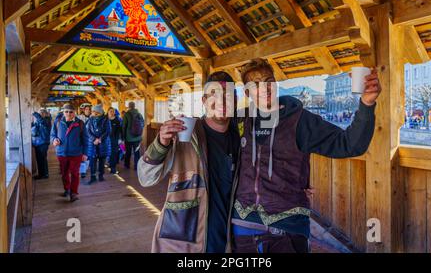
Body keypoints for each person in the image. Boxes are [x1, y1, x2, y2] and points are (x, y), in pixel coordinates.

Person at [231, 59, 381, 253]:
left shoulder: (300, 120)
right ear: (247, 92)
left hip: (288, 226)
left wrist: (366, 104)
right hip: (243, 225)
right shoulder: (240, 121)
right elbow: (210, 138)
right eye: (256, 84)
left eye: (269, 81)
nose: (265, 88)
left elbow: (348, 145)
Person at [137, 72, 240, 253]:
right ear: (204, 100)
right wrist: (161, 143)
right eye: (214, 95)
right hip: (184, 243)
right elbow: (145, 178)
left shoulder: (241, 137)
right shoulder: (184, 133)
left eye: (228, 95)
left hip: (227, 242)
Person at [50, 104, 87, 202]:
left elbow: (86, 140)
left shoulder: (80, 124)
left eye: (71, 112)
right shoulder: (58, 122)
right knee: (64, 173)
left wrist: (85, 153)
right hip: (62, 153)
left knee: (75, 173)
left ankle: (74, 193)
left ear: (75, 112)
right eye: (66, 111)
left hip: (76, 153)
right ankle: (67, 189)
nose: (68, 114)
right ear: (63, 112)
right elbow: (52, 134)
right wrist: (54, 139)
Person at [85, 105, 111, 184]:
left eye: (95, 112)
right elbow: (87, 131)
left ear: (100, 112)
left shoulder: (106, 120)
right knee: (92, 160)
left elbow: (108, 131)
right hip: (92, 143)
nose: (93, 113)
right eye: (93, 112)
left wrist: (100, 139)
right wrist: (94, 139)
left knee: (102, 160)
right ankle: (93, 177)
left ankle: (101, 176)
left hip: (102, 143)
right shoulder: (90, 120)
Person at [122, 102, 144, 170]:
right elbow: (142, 124)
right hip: (137, 138)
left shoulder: (126, 114)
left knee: (128, 152)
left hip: (128, 138)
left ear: (129, 106)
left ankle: (127, 165)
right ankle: (136, 166)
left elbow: (123, 126)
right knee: (136, 153)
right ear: (134, 106)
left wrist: (123, 137)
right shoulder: (139, 114)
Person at [32, 109, 51, 179]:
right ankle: (43, 174)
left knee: (42, 159)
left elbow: (42, 121)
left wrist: (35, 113)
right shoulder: (39, 121)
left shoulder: (46, 120)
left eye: (41, 113)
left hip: (43, 143)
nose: (40, 115)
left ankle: (44, 174)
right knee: (40, 159)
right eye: (40, 113)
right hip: (38, 143)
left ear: (45, 114)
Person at [78, 103, 92, 179]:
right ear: (84, 110)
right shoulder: (79, 118)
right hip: (82, 139)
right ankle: (83, 171)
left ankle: (85, 169)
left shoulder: (92, 118)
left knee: (88, 155)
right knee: (83, 155)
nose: (88, 110)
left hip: (90, 140)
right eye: (86, 109)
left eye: (89, 109)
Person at [107, 107, 122, 175]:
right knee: (107, 153)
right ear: (108, 112)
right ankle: (109, 164)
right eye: (110, 111)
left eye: (113, 111)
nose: (112, 112)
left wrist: (119, 139)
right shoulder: (105, 120)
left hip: (114, 140)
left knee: (113, 153)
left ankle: (113, 168)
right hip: (106, 140)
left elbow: (119, 131)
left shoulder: (117, 120)